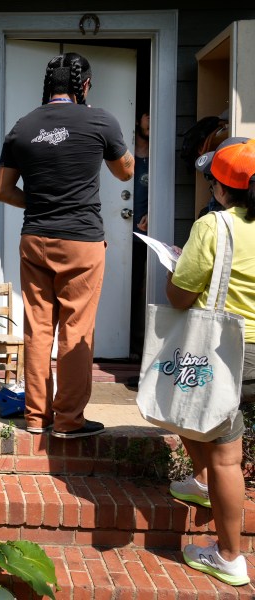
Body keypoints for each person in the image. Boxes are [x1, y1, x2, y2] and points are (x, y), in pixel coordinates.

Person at [0, 52, 134, 438]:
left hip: (35, 238)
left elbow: (3, 191)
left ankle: (37, 419)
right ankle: (70, 421)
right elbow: (125, 172)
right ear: (84, 84)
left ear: (48, 85)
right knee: (76, 330)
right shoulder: (101, 120)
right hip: (81, 241)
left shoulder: (22, 127)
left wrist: (39, 202)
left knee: (38, 329)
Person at [166, 137, 255, 586]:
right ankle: (201, 484)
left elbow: (179, 295)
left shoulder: (214, 227)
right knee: (189, 408)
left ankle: (229, 555)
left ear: (221, 188)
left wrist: (178, 266)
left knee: (223, 456)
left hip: (226, 351)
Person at [130, 109, 149, 361]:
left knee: (141, 292)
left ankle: (136, 345)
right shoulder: (125, 156)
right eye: (146, 115)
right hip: (120, 235)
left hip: (144, 235)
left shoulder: (156, 158)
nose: (150, 121)